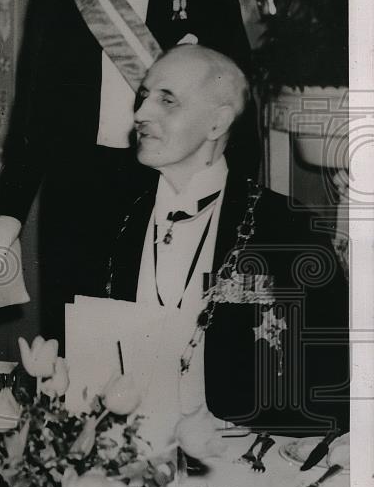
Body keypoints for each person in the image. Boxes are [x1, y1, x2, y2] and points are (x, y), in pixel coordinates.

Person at [0, 0, 257, 348]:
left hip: (165, 186)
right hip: (76, 188)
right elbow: (33, 115)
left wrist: (244, 201)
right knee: (73, 342)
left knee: (156, 341)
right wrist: (10, 211)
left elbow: (239, 104)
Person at [102, 45, 348, 437]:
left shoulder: (289, 230)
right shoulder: (108, 220)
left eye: (167, 100)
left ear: (217, 124)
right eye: (144, 96)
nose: (140, 114)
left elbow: (334, 387)